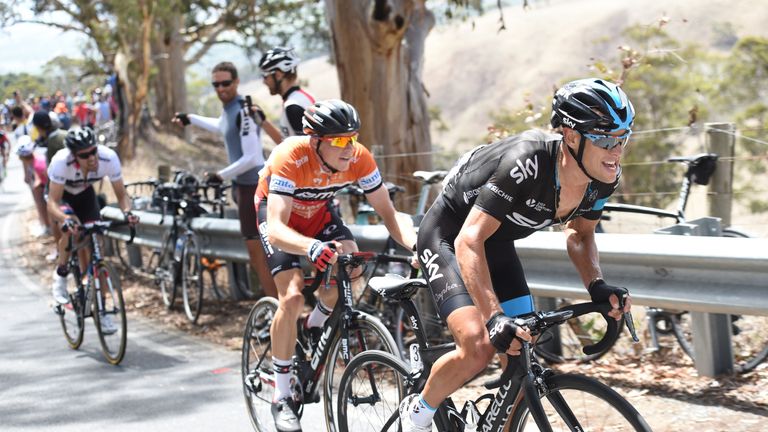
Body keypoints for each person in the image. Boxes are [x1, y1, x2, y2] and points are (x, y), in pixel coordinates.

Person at [398, 78, 636, 431]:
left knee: (522, 350)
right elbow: (469, 240)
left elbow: (580, 234)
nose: (615, 151)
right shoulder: (527, 162)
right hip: (450, 234)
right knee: (479, 346)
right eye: (604, 139)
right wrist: (493, 315)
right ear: (571, 136)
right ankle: (415, 416)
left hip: (494, 240)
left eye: (623, 138)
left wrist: (596, 285)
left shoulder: (603, 176)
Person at [172, 61, 277, 298]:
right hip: (243, 187)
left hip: (254, 187)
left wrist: (221, 176)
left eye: (226, 83)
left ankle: (281, 311)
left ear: (237, 82)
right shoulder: (229, 109)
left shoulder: (244, 111)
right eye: (216, 84)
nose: (221, 88)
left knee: (259, 254)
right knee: (258, 253)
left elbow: (252, 158)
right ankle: (276, 308)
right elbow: (221, 126)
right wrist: (191, 118)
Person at [47, 127, 138, 332]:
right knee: (71, 230)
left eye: (93, 151)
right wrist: (65, 219)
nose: (91, 158)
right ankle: (60, 276)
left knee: (98, 248)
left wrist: (127, 213)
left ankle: (103, 311)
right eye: (84, 155)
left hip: (85, 195)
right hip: (62, 197)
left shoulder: (108, 158)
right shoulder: (62, 162)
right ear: (73, 155)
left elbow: (122, 195)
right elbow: (51, 202)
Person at [258, 47, 315, 143]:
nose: (264, 82)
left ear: (278, 75)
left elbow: (308, 152)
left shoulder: (293, 107)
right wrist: (264, 122)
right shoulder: (302, 96)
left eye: (265, 76)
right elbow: (288, 145)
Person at [16, 135, 51, 237]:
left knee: (44, 207)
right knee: (41, 206)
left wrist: (38, 183)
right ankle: (46, 226)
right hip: (41, 188)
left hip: (45, 189)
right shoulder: (30, 162)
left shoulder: (38, 163)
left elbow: (45, 177)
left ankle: (49, 227)